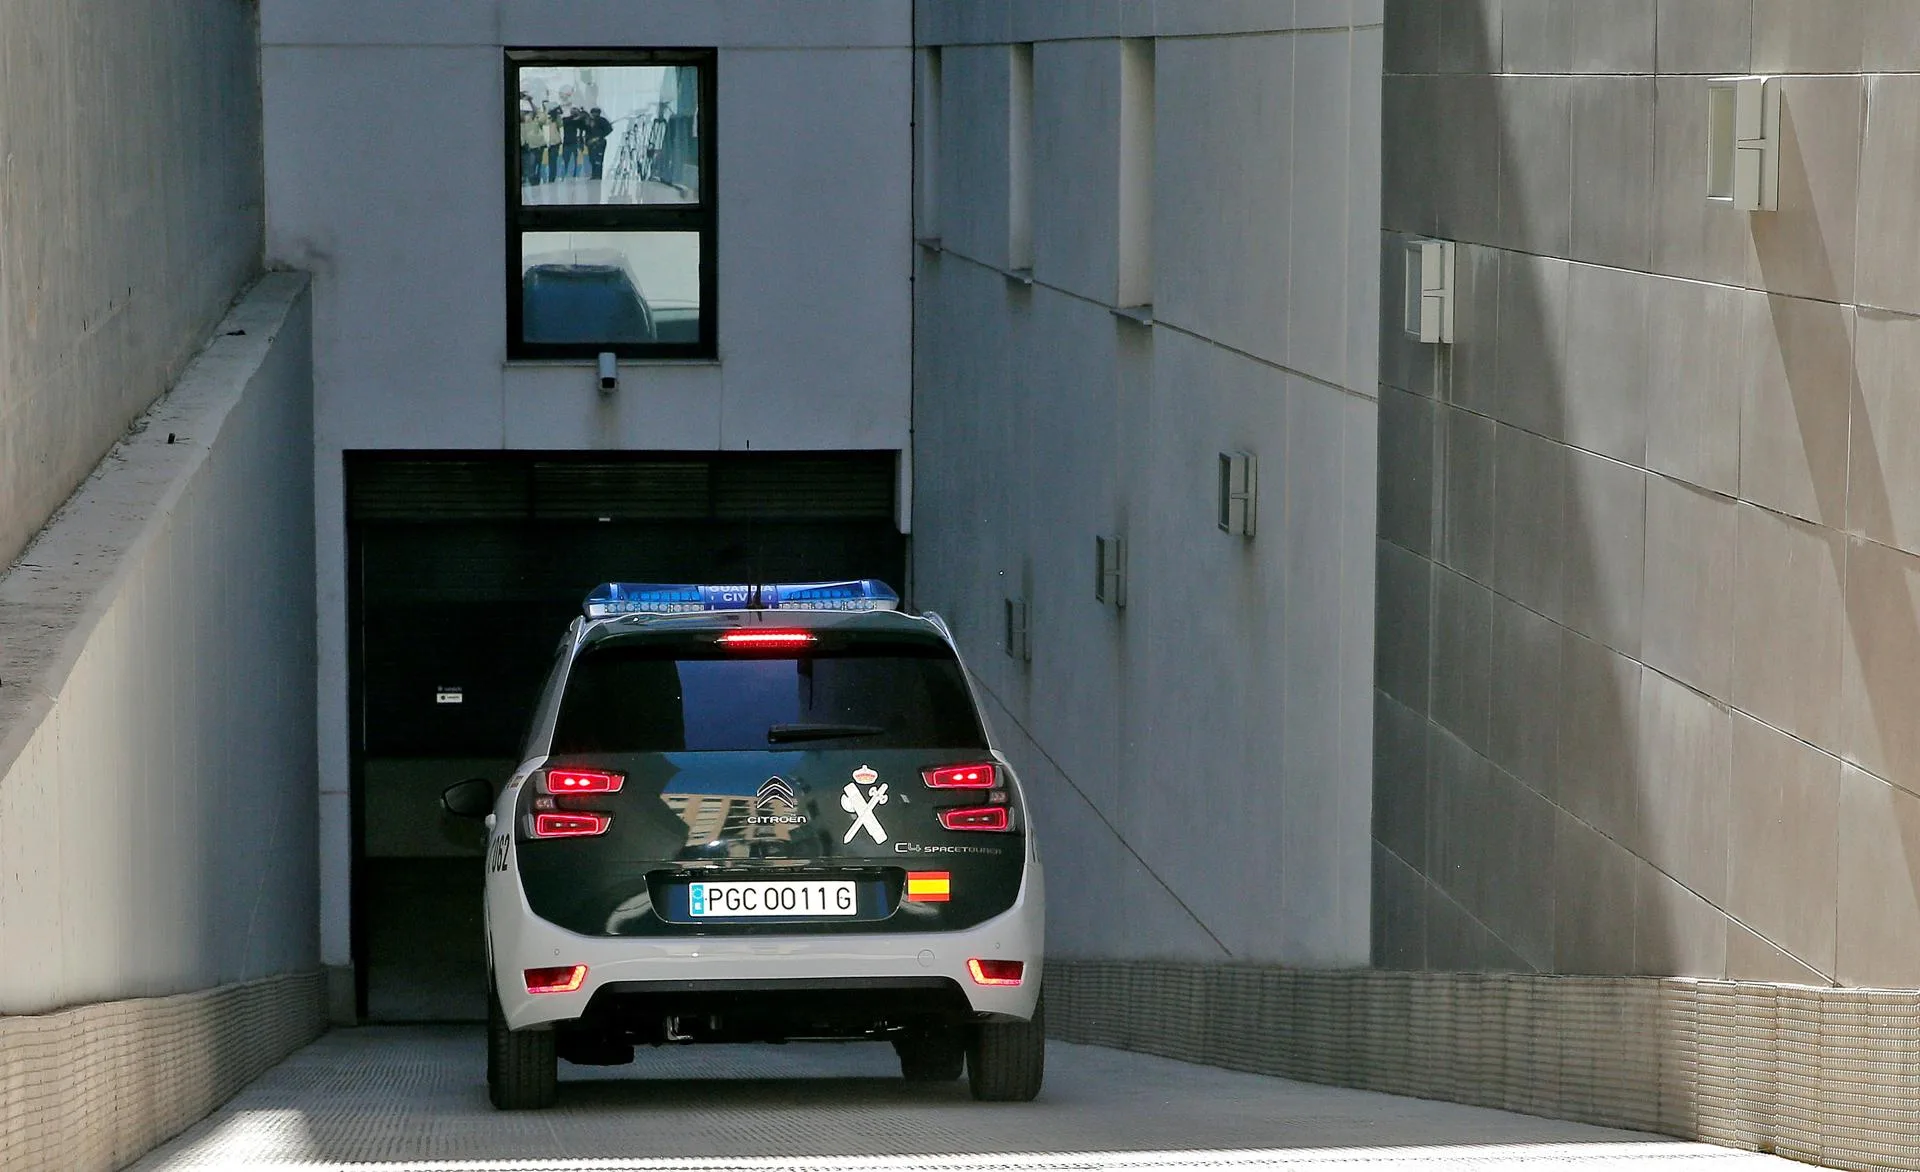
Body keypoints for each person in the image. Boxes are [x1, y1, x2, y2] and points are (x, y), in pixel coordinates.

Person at [587, 107, 613, 181]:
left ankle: (598, 176)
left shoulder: (602, 120)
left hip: (599, 143)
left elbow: (609, 129)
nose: (593, 114)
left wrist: (600, 137)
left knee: (598, 160)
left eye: (594, 113)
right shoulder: (589, 121)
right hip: (590, 143)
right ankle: (594, 175)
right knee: (592, 159)